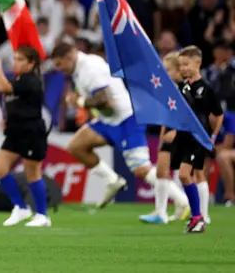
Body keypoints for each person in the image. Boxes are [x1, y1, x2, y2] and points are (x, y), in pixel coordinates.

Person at [51, 43, 189, 216]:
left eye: (59, 64)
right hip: (107, 120)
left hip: (126, 119)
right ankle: (111, 180)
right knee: (76, 146)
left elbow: (107, 100)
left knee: (141, 169)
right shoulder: (80, 67)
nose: (58, 69)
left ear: (68, 58)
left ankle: (182, 201)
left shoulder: (89, 69)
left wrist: (79, 102)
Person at [0, 46, 51, 227]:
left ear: (31, 63)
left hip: (31, 131)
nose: (14, 62)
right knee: (0, 169)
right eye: (15, 58)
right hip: (15, 131)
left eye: (20, 59)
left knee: (32, 173)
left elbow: (3, 87)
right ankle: (21, 207)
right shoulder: (18, 80)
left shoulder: (30, 81)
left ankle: (42, 215)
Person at [139, 52, 190, 224]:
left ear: (179, 70)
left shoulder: (185, 91)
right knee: (161, 171)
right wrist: (163, 131)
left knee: (191, 174)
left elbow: (189, 116)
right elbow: (166, 115)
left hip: (183, 135)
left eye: (168, 70)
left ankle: (199, 211)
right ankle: (160, 212)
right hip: (168, 133)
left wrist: (175, 132)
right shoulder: (169, 91)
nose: (165, 74)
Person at [175, 46, 224, 227]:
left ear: (198, 62)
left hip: (198, 137)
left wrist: (213, 136)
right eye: (180, 65)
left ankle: (200, 216)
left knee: (189, 174)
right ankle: (197, 216)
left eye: (186, 64)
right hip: (184, 137)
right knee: (186, 175)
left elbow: (219, 114)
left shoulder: (206, 89)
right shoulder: (182, 88)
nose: (183, 69)